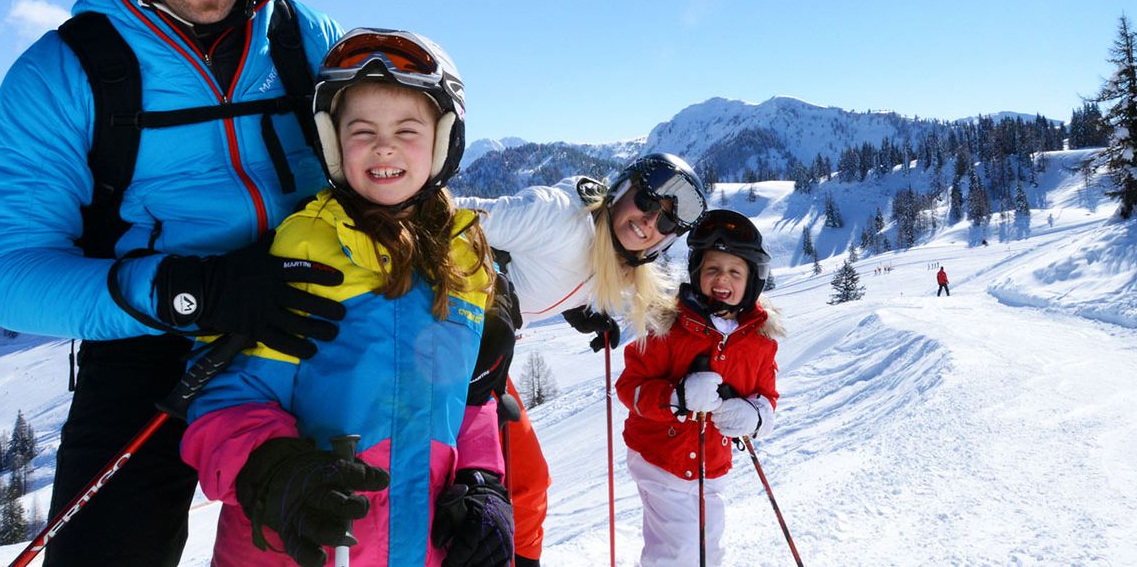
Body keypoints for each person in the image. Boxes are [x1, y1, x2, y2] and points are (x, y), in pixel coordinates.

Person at [0, 0, 345, 566]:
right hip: (151, 341)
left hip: (306, 309)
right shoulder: (62, 77)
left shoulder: (303, 40)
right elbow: (10, 277)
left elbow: (388, 167)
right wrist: (186, 289)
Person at [179, 29, 512, 567]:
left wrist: (482, 480)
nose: (384, 147)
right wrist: (274, 473)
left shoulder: (467, 262)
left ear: (444, 139)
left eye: (408, 130)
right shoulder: (304, 248)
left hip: (422, 547)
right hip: (296, 544)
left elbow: (470, 400)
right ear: (333, 143)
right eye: (362, 131)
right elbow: (226, 392)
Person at [457, 153, 706, 566]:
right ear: (623, 189)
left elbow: (553, 275)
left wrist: (580, 309)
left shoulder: (615, 257)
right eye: (646, 202)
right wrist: (484, 284)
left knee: (527, 486)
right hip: (438, 344)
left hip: (481, 366)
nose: (648, 223)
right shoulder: (556, 218)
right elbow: (442, 215)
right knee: (477, 491)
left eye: (664, 224)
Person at [615, 208, 782, 566]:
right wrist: (678, 397)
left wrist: (754, 416)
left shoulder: (759, 342)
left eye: (735, 271)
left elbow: (767, 396)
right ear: (697, 273)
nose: (723, 278)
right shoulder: (670, 329)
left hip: (712, 466)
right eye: (713, 269)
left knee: (708, 550)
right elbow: (630, 388)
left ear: (752, 281)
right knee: (679, 552)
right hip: (660, 459)